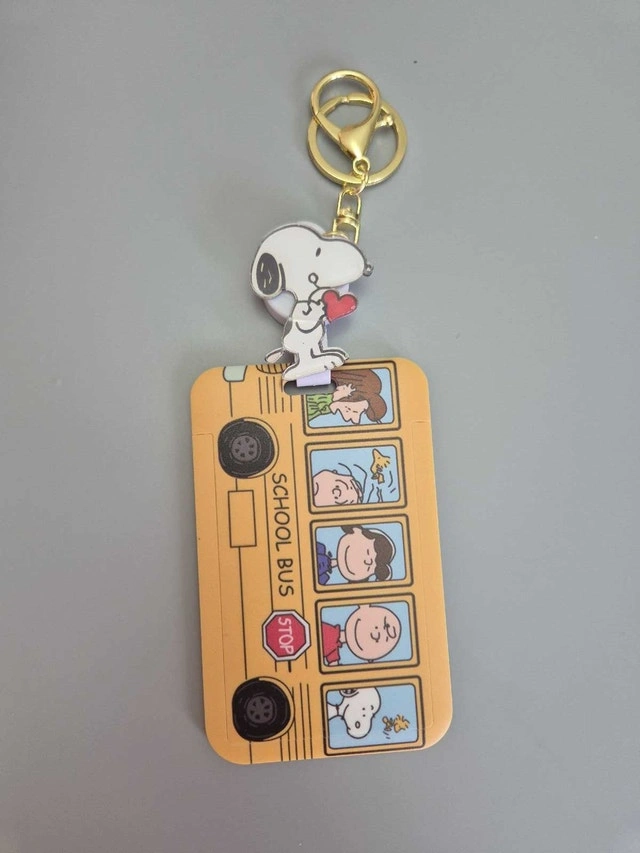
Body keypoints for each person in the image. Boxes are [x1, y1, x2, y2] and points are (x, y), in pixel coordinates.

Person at [321, 604, 402, 666]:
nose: (374, 634)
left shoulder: (333, 652)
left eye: (378, 638)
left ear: (370, 658)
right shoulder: (327, 629)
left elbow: (332, 663)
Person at [315, 525, 395, 584]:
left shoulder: (324, 579)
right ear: (356, 529)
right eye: (367, 551)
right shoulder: (319, 547)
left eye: (368, 568)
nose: (363, 561)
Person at [306, 368, 388, 425]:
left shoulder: (326, 407)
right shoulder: (319, 399)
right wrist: (331, 399)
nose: (356, 421)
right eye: (355, 411)